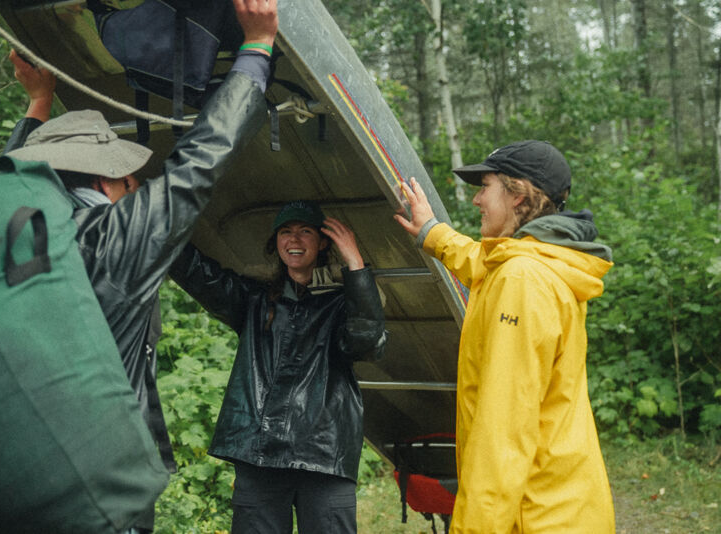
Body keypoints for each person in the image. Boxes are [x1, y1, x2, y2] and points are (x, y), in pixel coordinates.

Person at [3, 1, 279, 532]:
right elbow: (200, 162)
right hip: (101, 486)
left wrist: (39, 105)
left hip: (14, 473)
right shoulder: (110, 242)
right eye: (131, 181)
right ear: (109, 182)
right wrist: (256, 48)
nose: (135, 190)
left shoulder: (8, 234)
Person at [394, 140, 615, 533]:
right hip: (561, 507)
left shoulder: (521, 280)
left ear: (518, 196)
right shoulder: (538, 261)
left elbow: (503, 433)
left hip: (534, 516)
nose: (477, 199)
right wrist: (432, 233)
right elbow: (484, 261)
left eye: (485, 187)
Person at [168, 200, 388, 534]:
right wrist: (158, 220)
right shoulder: (254, 299)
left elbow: (368, 341)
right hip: (259, 454)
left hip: (324, 453)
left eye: (305, 232)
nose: (294, 240)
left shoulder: (343, 304)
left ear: (323, 242)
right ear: (276, 242)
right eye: (286, 232)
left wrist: (355, 263)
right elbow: (200, 275)